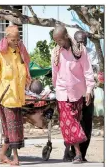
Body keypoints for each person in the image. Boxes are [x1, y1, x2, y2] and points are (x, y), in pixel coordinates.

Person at [0, 25, 31, 166]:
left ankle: (1, 155)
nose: (16, 41)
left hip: (18, 98)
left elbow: (24, 70)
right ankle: (15, 158)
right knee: (12, 129)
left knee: (13, 129)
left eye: (18, 39)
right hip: (5, 98)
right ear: (6, 38)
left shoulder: (20, 51)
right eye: (13, 39)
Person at [51, 25, 95, 163]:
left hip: (78, 93)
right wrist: (56, 88)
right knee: (69, 121)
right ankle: (77, 153)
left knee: (74, 122)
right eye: (55, 41)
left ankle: (73, 153)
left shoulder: (80, 51)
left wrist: (89, 90)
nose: (57, 43)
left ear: (65, 36)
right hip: (62, 92)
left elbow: (88, 71)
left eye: (59, 40)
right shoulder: (56, 52)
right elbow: (55, 74)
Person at [63, 31, 96, 162]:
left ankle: (83, 154)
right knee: (74, 123)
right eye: (79, 42)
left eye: (84, 42)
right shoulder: (69, 52)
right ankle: (74, 153)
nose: (81, 44)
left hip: (87, 94)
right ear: (74, 41)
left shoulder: (91, 53)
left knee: (87, 124)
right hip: (74, 94)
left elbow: (92, 71)